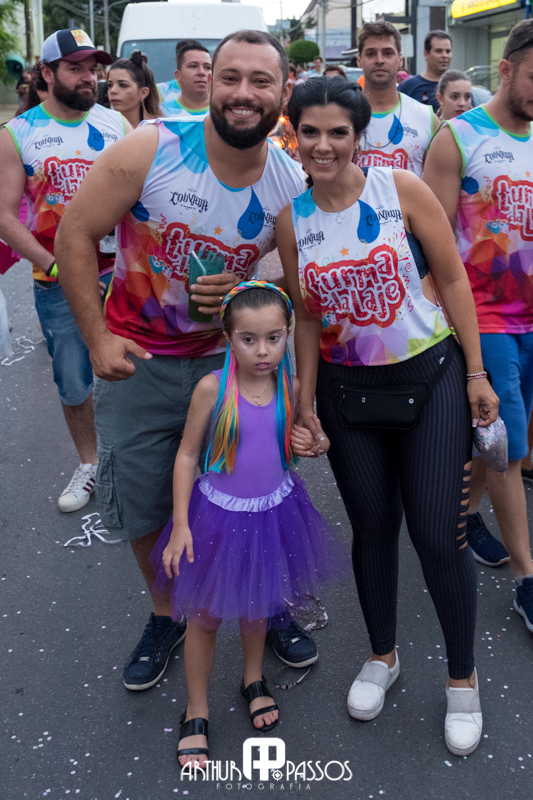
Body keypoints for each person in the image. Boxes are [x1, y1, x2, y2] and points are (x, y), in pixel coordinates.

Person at [55, 30, 317, 693]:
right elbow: (75, 232)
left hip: (233, 369)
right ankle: (167, 612)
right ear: (206, 82)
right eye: (230, 77)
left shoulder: (290, 182)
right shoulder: (153, 146)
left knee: (254, 495)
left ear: (283, 92)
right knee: (144, 504)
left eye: (260, 80)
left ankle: (264, 603)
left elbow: (301, 287)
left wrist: (250, 288)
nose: (242, 93)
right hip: (135, 360)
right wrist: (96, 340)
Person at [276, 76, 499, 756]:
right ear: (294, 135)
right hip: (347, 395)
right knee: (372, 529)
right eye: (309, 132)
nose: (322, 145)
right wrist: (304, 400)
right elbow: (306, 317)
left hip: (430, 380)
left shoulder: (399, 190)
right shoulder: (291, 220)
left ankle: (461, 679)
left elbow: (452, 278)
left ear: (358, 136)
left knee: (436, 535)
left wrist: (475, 372)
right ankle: (382, 656)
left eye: (336, 132)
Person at [150, 280, 342, 765]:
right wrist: (180, 524)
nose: (262, 351)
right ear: (228, 338)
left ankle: (253, 678)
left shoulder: (289, 388)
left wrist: (315, 444)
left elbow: (313, 441)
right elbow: (186, 456)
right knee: (205, 617)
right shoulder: (213, 389)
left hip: (274, 514)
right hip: (217, 519)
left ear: (287, 334)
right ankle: (197, 706)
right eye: (249, 339)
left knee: (259, 607)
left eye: (274, 338)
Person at [424, 20, 533, 627]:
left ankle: (460, 516)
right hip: (484, 318)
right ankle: (527, 577)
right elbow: (431, 238)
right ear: (508, 68)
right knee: (508, 450)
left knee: (501, 444)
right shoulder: (458, 138)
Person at [0, 29, 129, 513]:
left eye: (92, 69)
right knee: (74, 379)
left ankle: (130, 459)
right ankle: (90, 462)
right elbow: (4, 215)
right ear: (47, 73)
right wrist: (51, 263)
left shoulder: (117, 125)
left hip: (122, 274)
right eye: (75, 69)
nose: (88, 77)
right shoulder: (17, 134)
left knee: (132, 368)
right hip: (57, 280)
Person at [357, 21, 436, 177]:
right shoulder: (343, 114)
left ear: (400, 59)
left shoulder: (427, 118)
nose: (379, 60)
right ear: (359, 60)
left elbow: (435, 182)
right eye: (371, 54)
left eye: (388, 53)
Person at [399, 30, 452, 113]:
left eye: (448, 51)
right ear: (426, 54)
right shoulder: (408, 86)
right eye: (439, 51)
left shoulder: (458, 86)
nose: (444, 55)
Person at [157, 39, 211, 117]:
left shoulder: (224, 110)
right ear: (178, 75)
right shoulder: (160, 113)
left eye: (208, 67)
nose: (201, 72)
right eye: (193, 66)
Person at [107, 50, 160, 129]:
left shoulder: (161, 128)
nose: (113, 91)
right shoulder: (102, 126)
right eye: (109, 85)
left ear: (143, 93)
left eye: (123, 85)